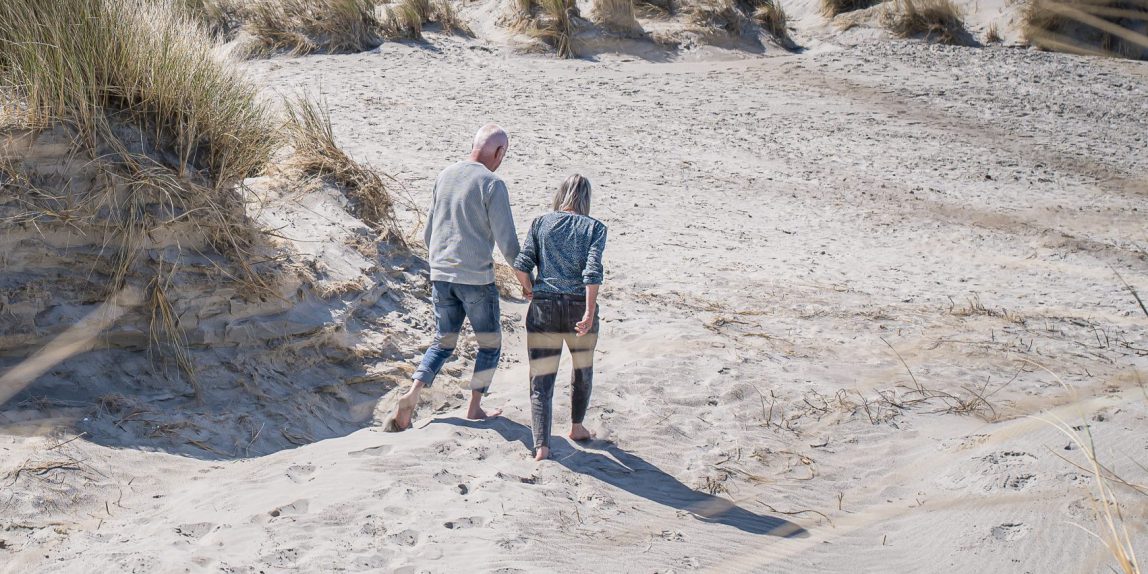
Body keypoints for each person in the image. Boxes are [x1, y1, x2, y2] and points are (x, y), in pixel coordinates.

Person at [391, 124, 519, 431]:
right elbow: (507, 241)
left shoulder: (445, 175)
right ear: (499, 152)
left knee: (443, 342)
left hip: (441, 274)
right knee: (490, 344)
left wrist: (438, 265)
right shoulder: (492, 184)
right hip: (475, 278)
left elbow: (428, 232)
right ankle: (474, 408)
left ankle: (412, 394)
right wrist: (526, 279)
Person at [513, 174, 607, 461]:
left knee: (541, 377)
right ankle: (577, 426)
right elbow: (592, 272)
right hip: (579, 304)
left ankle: (541, 445)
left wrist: (529, 288)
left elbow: (521, 264)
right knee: (582, 369)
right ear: (586, 199)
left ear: (560, 195)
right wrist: (590, 311)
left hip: (544, 306)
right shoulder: (595, 228)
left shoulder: (542, 222)